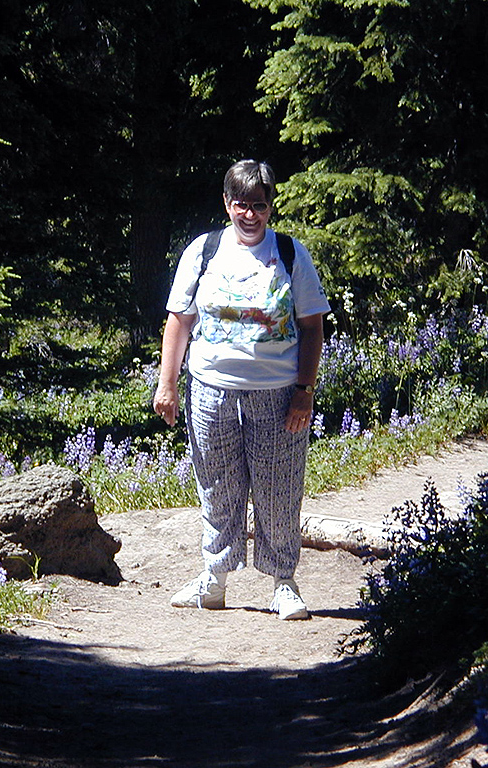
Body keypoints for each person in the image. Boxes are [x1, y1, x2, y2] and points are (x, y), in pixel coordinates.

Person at [153, 159, 331, 620]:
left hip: (277, 392)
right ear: (226, 204)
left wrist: (304, 391)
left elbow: (312, 327)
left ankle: (283, 584)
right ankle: (214, 579)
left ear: (270, 206)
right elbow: (179, 320)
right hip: (210, 390)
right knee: (218, 487)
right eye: (240, 204)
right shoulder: (204, 251)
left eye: (259, 205)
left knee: (278, 490)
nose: (249, 214)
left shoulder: (292, 255)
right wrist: (167, 385)